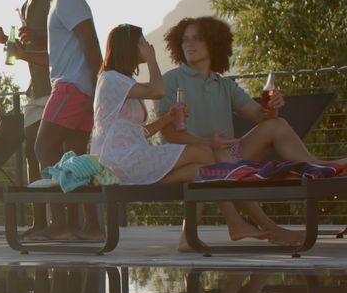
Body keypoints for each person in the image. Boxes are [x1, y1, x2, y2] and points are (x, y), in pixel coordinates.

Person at [154, 16, 347, 246]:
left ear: (213, 43)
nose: (189, 44)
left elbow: (260, 115)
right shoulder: (169, 81)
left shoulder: (224, 85)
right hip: (190, 158)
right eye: (185, 40)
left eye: (197, 39)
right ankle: (270, 230)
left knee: (276, 125)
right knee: (220, 161)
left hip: (228, 155)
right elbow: (168, 135)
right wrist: (208, 143)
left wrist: (272, 108)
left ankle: (315, 168)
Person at [90, 24, 273, 250]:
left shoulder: (122, 82)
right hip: (117, 160)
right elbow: (158, 90)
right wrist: (152, 59)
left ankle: (191, 237)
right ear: (130, 47)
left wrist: (169, 118)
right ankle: (235, 223)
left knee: (201, 171)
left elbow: (140, 132)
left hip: (132, 157)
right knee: (204, 153)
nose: (147, 46)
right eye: (142, 43)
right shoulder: (110, 79)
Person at [15, 0, 103, 242]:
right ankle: (91, 226)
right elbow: (59, 57)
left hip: (72, 88)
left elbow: (92, 45)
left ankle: (60, 223)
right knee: (76, 159)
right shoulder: (60, 0)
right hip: (75, 86)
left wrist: (97, 91)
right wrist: (26, 52)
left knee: (43, 147)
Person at [0, 0, 53, 236]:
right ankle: (41, 221)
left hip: (55, 87)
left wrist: (30, 39)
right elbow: (26, 47)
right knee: (32, 153)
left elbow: (55, 40)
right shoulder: (27, 6)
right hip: (35, 89)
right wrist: (6, 40)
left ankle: (62, 220)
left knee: (54, 152)